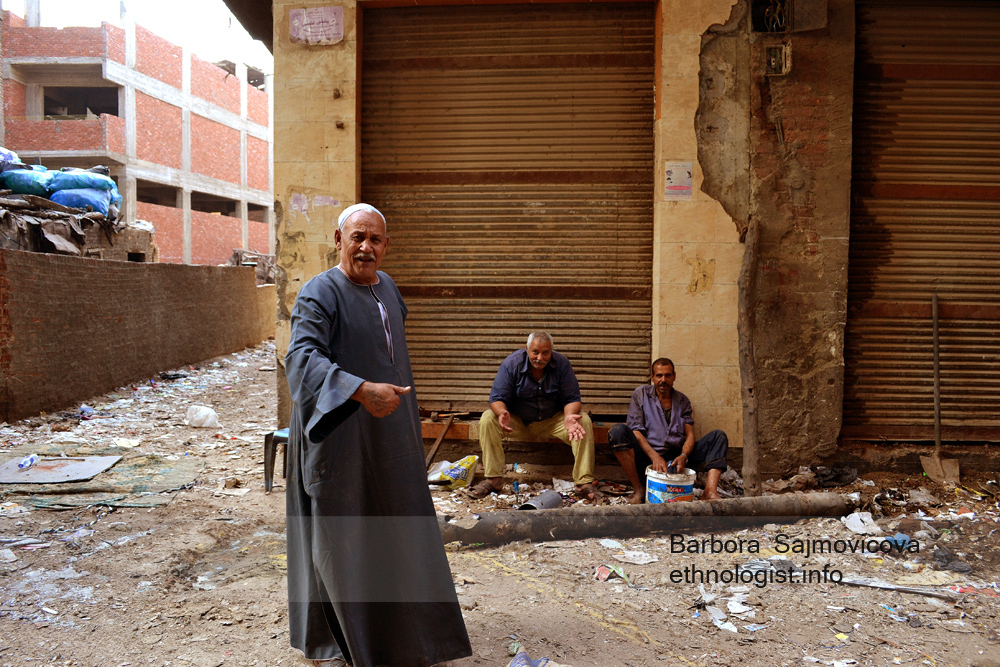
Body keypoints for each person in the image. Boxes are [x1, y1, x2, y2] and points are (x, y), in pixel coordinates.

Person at [284, 203, 471, 667]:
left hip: (391, 437)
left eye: (375, 240)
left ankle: (407, 636)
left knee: (399, 530)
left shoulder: (388, 288)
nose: (366, 247)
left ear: (387, 246)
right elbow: (301, 360)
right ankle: (339, 644)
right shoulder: (317, 293)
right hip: (340, 437)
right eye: (357, 237)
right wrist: (360, 390)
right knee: (342, 538)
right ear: (338, 238)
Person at [469, 331, 602, 502]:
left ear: (551, 351)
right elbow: (497, 398)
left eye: (545, 352)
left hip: (551, 421)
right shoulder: (512, 364)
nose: (540, 357)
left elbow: (572, 398)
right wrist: (502, 412)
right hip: (517, 422)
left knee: (583, 420)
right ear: (527, 350)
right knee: (488, 418)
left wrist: (569, 416)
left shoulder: (561, 364)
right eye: (535, 352)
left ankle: (583, 483)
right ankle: (493, 479)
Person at [608, 357, 729, 504]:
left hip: (676, 461)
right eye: (659, 375)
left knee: (718, 436)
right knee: (618, 431)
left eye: (668, 375)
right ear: (652, 377)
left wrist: (684, 455)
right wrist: (655, 457)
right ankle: (639, 490)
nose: (663, 380)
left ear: (674, 376)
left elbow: (690, 434)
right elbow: (635, 431)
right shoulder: (641, 394)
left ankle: (710, 491)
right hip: (648, 457)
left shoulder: (682, 400)